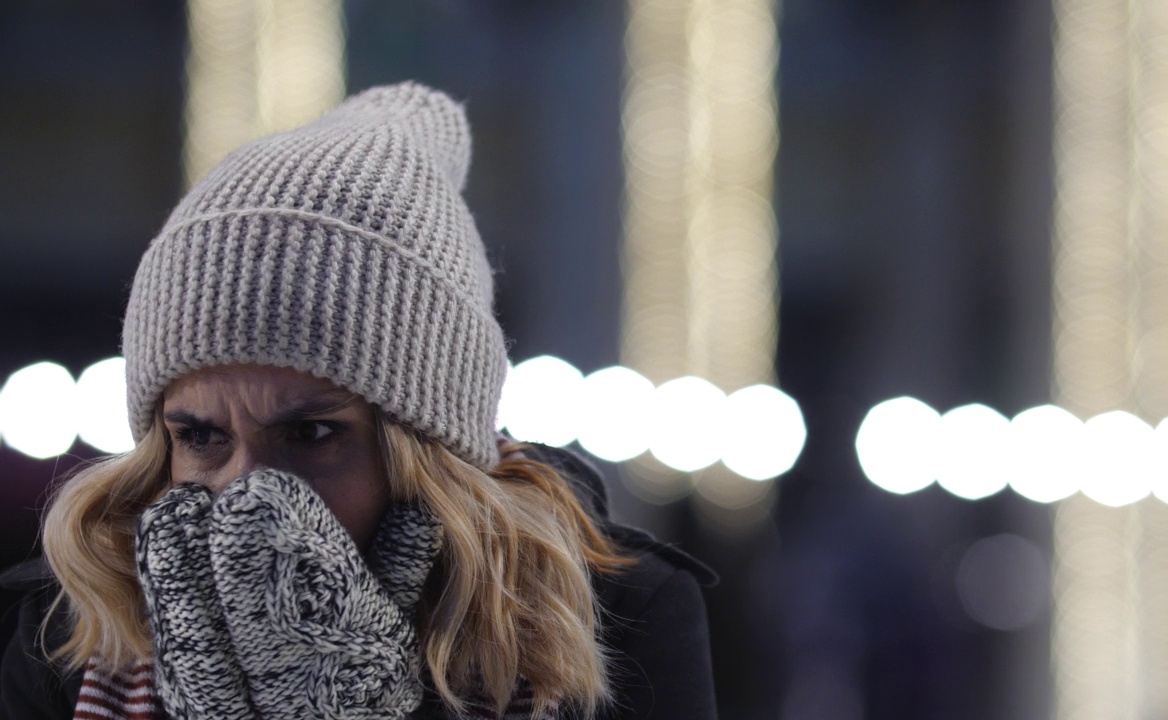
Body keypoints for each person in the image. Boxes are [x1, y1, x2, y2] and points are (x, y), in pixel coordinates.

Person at [0, 82, 717, 719]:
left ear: (429, 449)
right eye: (201, 436)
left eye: (311, 433)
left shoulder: (617, 622)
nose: (245, 490)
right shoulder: (69, 628)